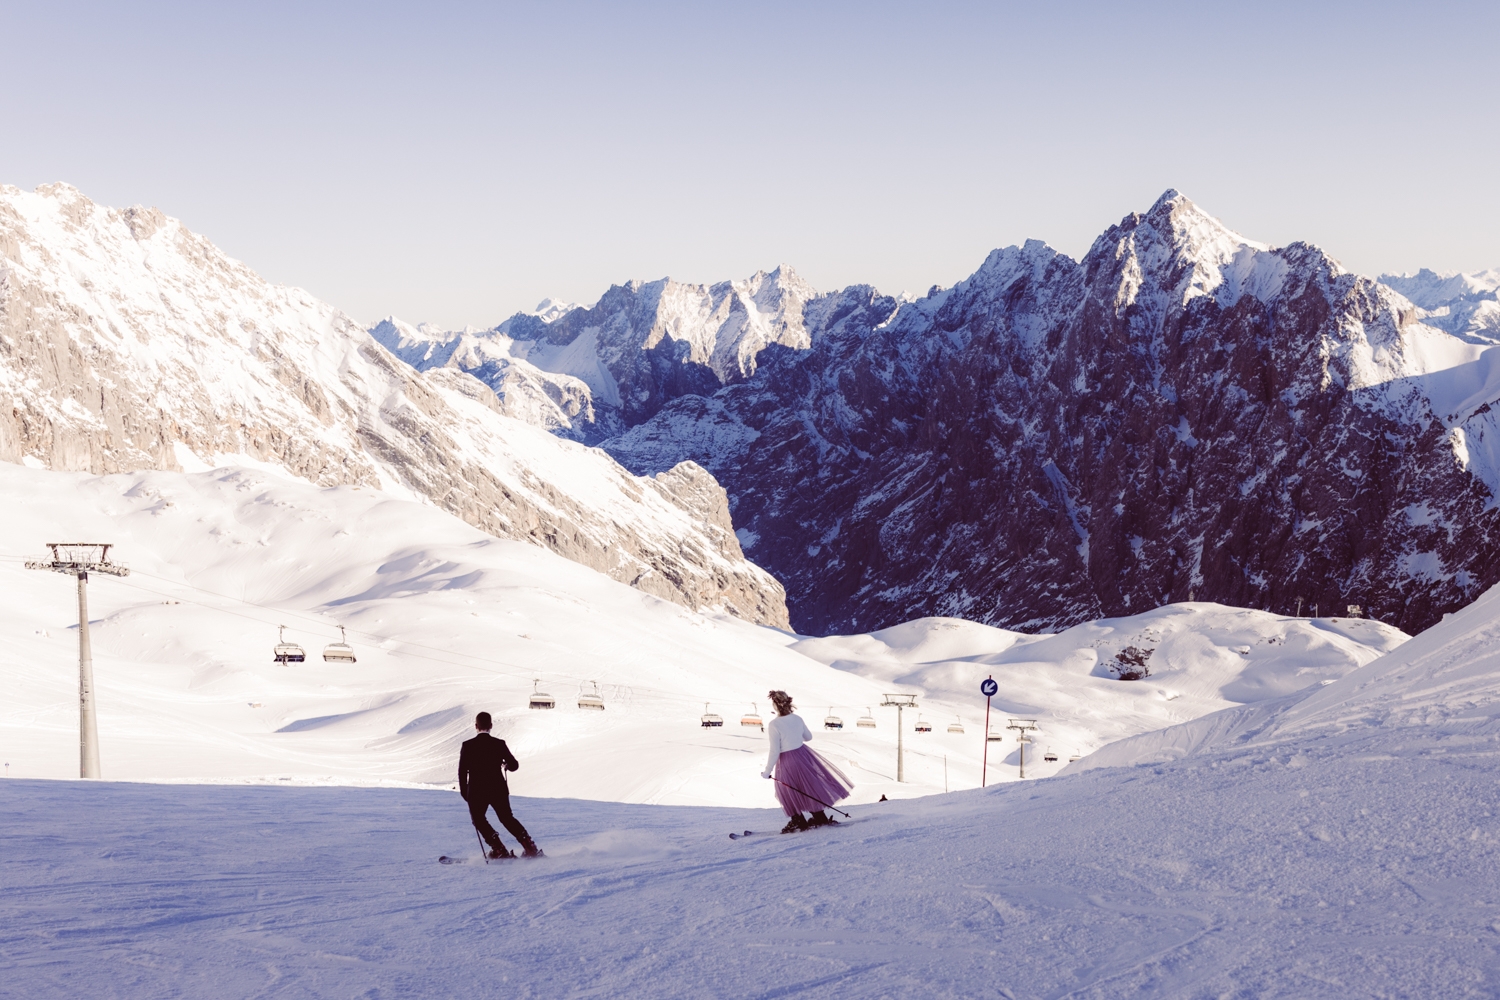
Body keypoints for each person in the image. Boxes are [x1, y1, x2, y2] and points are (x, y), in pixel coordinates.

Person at [760, 689, 853, 834]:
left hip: (787, 760)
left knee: (786, 790)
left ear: (776, 705)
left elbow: (774, 750)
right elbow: (808, 737)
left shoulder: (774, 724)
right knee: (808, 787)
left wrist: (767, 771)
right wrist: (794, 737)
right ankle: (819, 817)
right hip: (803, 755)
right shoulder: (797, 719)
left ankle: (798, 821)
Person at [458, 712, 543, 859]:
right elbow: (514, 765)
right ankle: (530, 847)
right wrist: (506, 765)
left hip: (477, 791)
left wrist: (465, 793)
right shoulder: (499, 744)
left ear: (476, 726)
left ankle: (499, 849)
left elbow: (462, 772)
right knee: (507, 818)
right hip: (498, 789)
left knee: (479, 820)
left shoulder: (468, 745)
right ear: (491, 726)